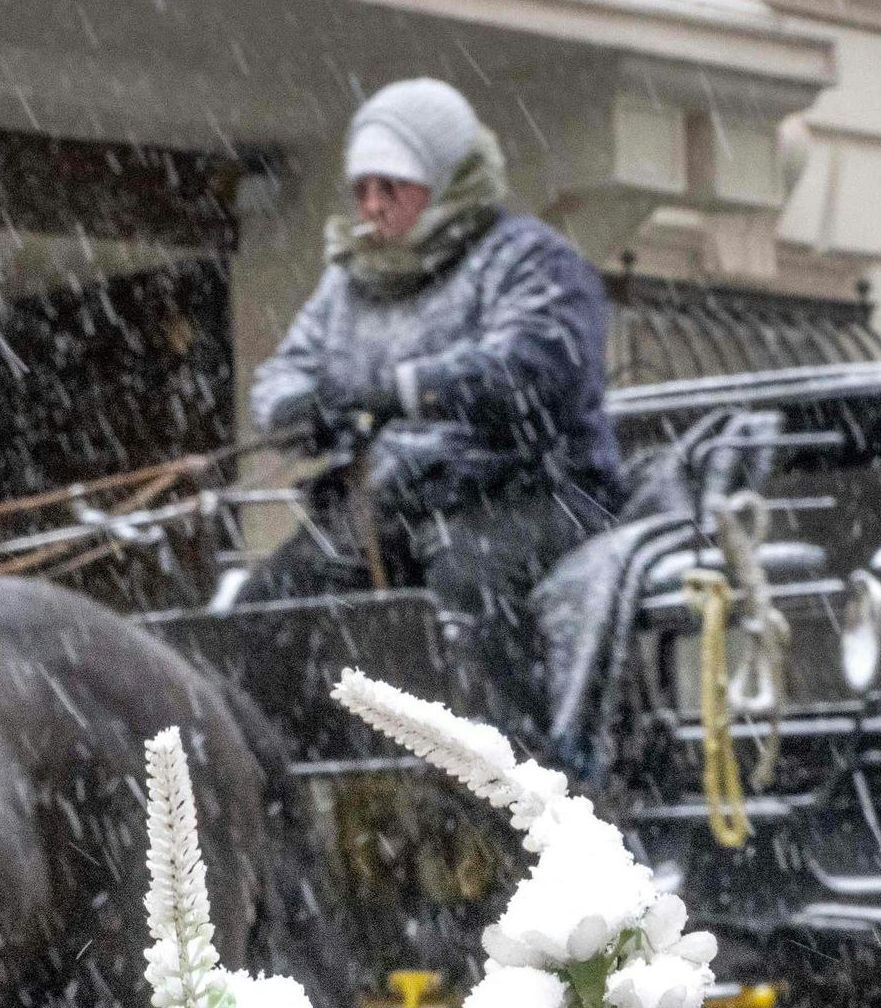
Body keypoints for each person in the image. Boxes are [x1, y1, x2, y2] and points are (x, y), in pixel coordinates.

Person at [243, 77, 625, 730]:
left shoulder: (530, 260)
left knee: (466, 583)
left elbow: (535, 366)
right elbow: (283, 372)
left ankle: (530, 770)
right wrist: (294, 407)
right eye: (362, 189)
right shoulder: (348, 282)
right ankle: (295, 763)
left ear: (448, 181)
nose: (372, 206)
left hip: (540, 495)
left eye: (390, 187)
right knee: (271, 601)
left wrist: (404, 388)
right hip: (399, 504)